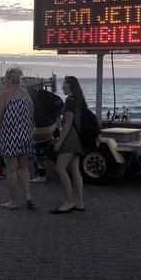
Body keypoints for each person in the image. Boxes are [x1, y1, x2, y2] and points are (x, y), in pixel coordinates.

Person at [0, 67, 34, 210]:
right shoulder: (26, 95)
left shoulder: (4, 95)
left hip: (10, 136)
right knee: (24, 167)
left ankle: (14, 201)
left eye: (5, 78)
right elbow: (31, 116)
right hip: (25, 135)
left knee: (12, 170)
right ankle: (28, 196)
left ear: (9, 79)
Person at [51, 76, 85, 214]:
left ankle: (68, 201)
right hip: (78, 138)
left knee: (60, 168)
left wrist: (59, 141)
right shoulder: (79, 100)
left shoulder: (70, 100)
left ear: (70, 85)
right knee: (74, 169)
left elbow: (68, 123)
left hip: (70, 138)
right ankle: (80, 203)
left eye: (64, 83)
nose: (62, 86)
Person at [28, 88, 64, 183]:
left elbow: (30, 115)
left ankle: (41, 175)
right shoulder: (35, 92)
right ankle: (42, 170)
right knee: (44, 149)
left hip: (42, 126)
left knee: (38, 151)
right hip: (52, 123)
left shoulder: (26, 97)